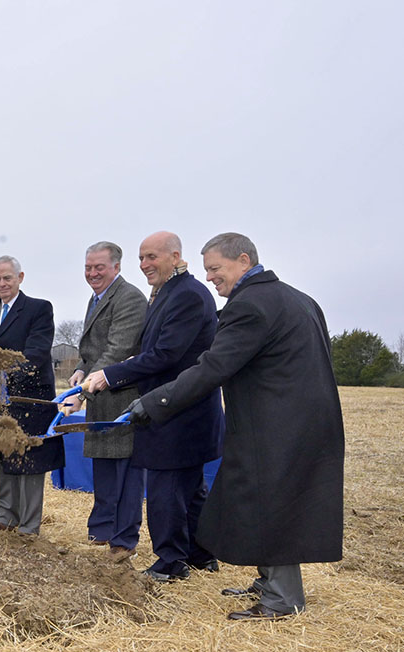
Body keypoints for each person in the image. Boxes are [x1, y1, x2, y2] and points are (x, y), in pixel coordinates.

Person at [129, 233, 343, 619]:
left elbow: (212, 367)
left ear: (243, 261)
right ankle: (269, 580)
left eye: (215, 268)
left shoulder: (250, 306)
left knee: (275, 500)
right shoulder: (298, 297)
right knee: (266, 498)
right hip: (307, 419)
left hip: (277, 424)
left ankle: (282, 599)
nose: (209, 277)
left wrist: (155, 402)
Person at [83, 231, 224, 580]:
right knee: (190, 490)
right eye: (142, 258)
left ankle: (170, 562)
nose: (145, 265)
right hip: (181, 410)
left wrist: (109, 375)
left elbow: (166, 355)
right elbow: (154, 351)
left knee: (166, 491)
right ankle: (201, 554)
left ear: (175, 256)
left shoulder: (188, 295)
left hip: (178, 412)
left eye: (152, 257)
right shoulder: (168, 293)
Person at [63, 242, 147, 549]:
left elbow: (117, 350)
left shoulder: (130, 299)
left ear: (117, 267)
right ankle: (101, 531)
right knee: (104, 472)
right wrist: (81, 370)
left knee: (125, 476)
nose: (92, 273)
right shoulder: (96, 298)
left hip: (122, 400)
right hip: (101, 398)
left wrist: (80, 395)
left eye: (99, 267)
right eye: (88, 267)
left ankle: (123, 541)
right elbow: (94, 350)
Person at [0, 256, 64, 534]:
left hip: (30, 400)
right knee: (3, 458)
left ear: (20, 277)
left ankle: (28, 525)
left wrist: (2, 372)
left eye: (7, 278)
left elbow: (36, 354)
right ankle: (5, 516)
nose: (2, 284)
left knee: (28, 461)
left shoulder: (38, 309)